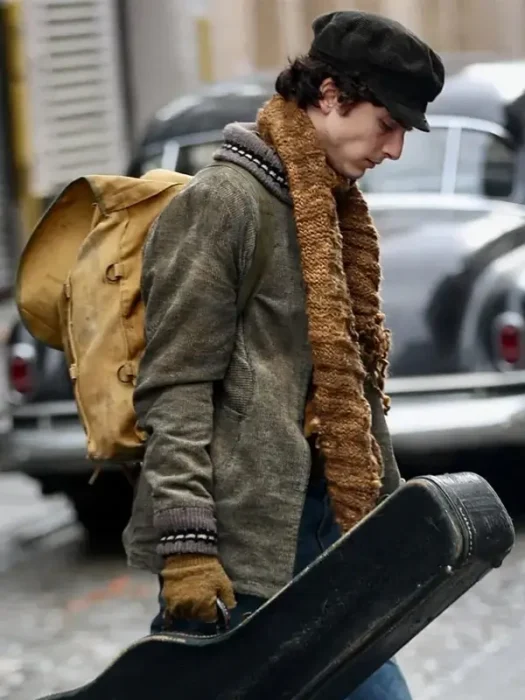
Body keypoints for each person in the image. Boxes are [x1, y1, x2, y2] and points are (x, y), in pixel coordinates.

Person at [122, 9, 444, 699]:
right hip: (244, 542)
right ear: (329, 95)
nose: (392, 150)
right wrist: (186, 550)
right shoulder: (225, 204)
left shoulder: (327, 208)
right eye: (386, 124)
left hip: (326, 526)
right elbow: (173, 385)